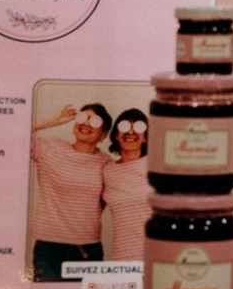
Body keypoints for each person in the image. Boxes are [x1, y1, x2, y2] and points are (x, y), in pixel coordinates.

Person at [28, 102, 111, 280]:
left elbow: (107, 199)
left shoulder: (106, 163)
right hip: (49, 247)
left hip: (88, 249)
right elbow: (12, 133)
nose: (86, 123)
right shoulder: (50, 149)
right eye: (82, 117)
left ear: (103, 134)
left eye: (94, 121)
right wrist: (54, 120)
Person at [102, 107, 149, 261]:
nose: (130, 132)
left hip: (156, 256)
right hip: (122, 258)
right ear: (116, 135)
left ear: (145, 137)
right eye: (124, 126)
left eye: (138, 127)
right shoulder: (107, 170)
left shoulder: (157, 166)